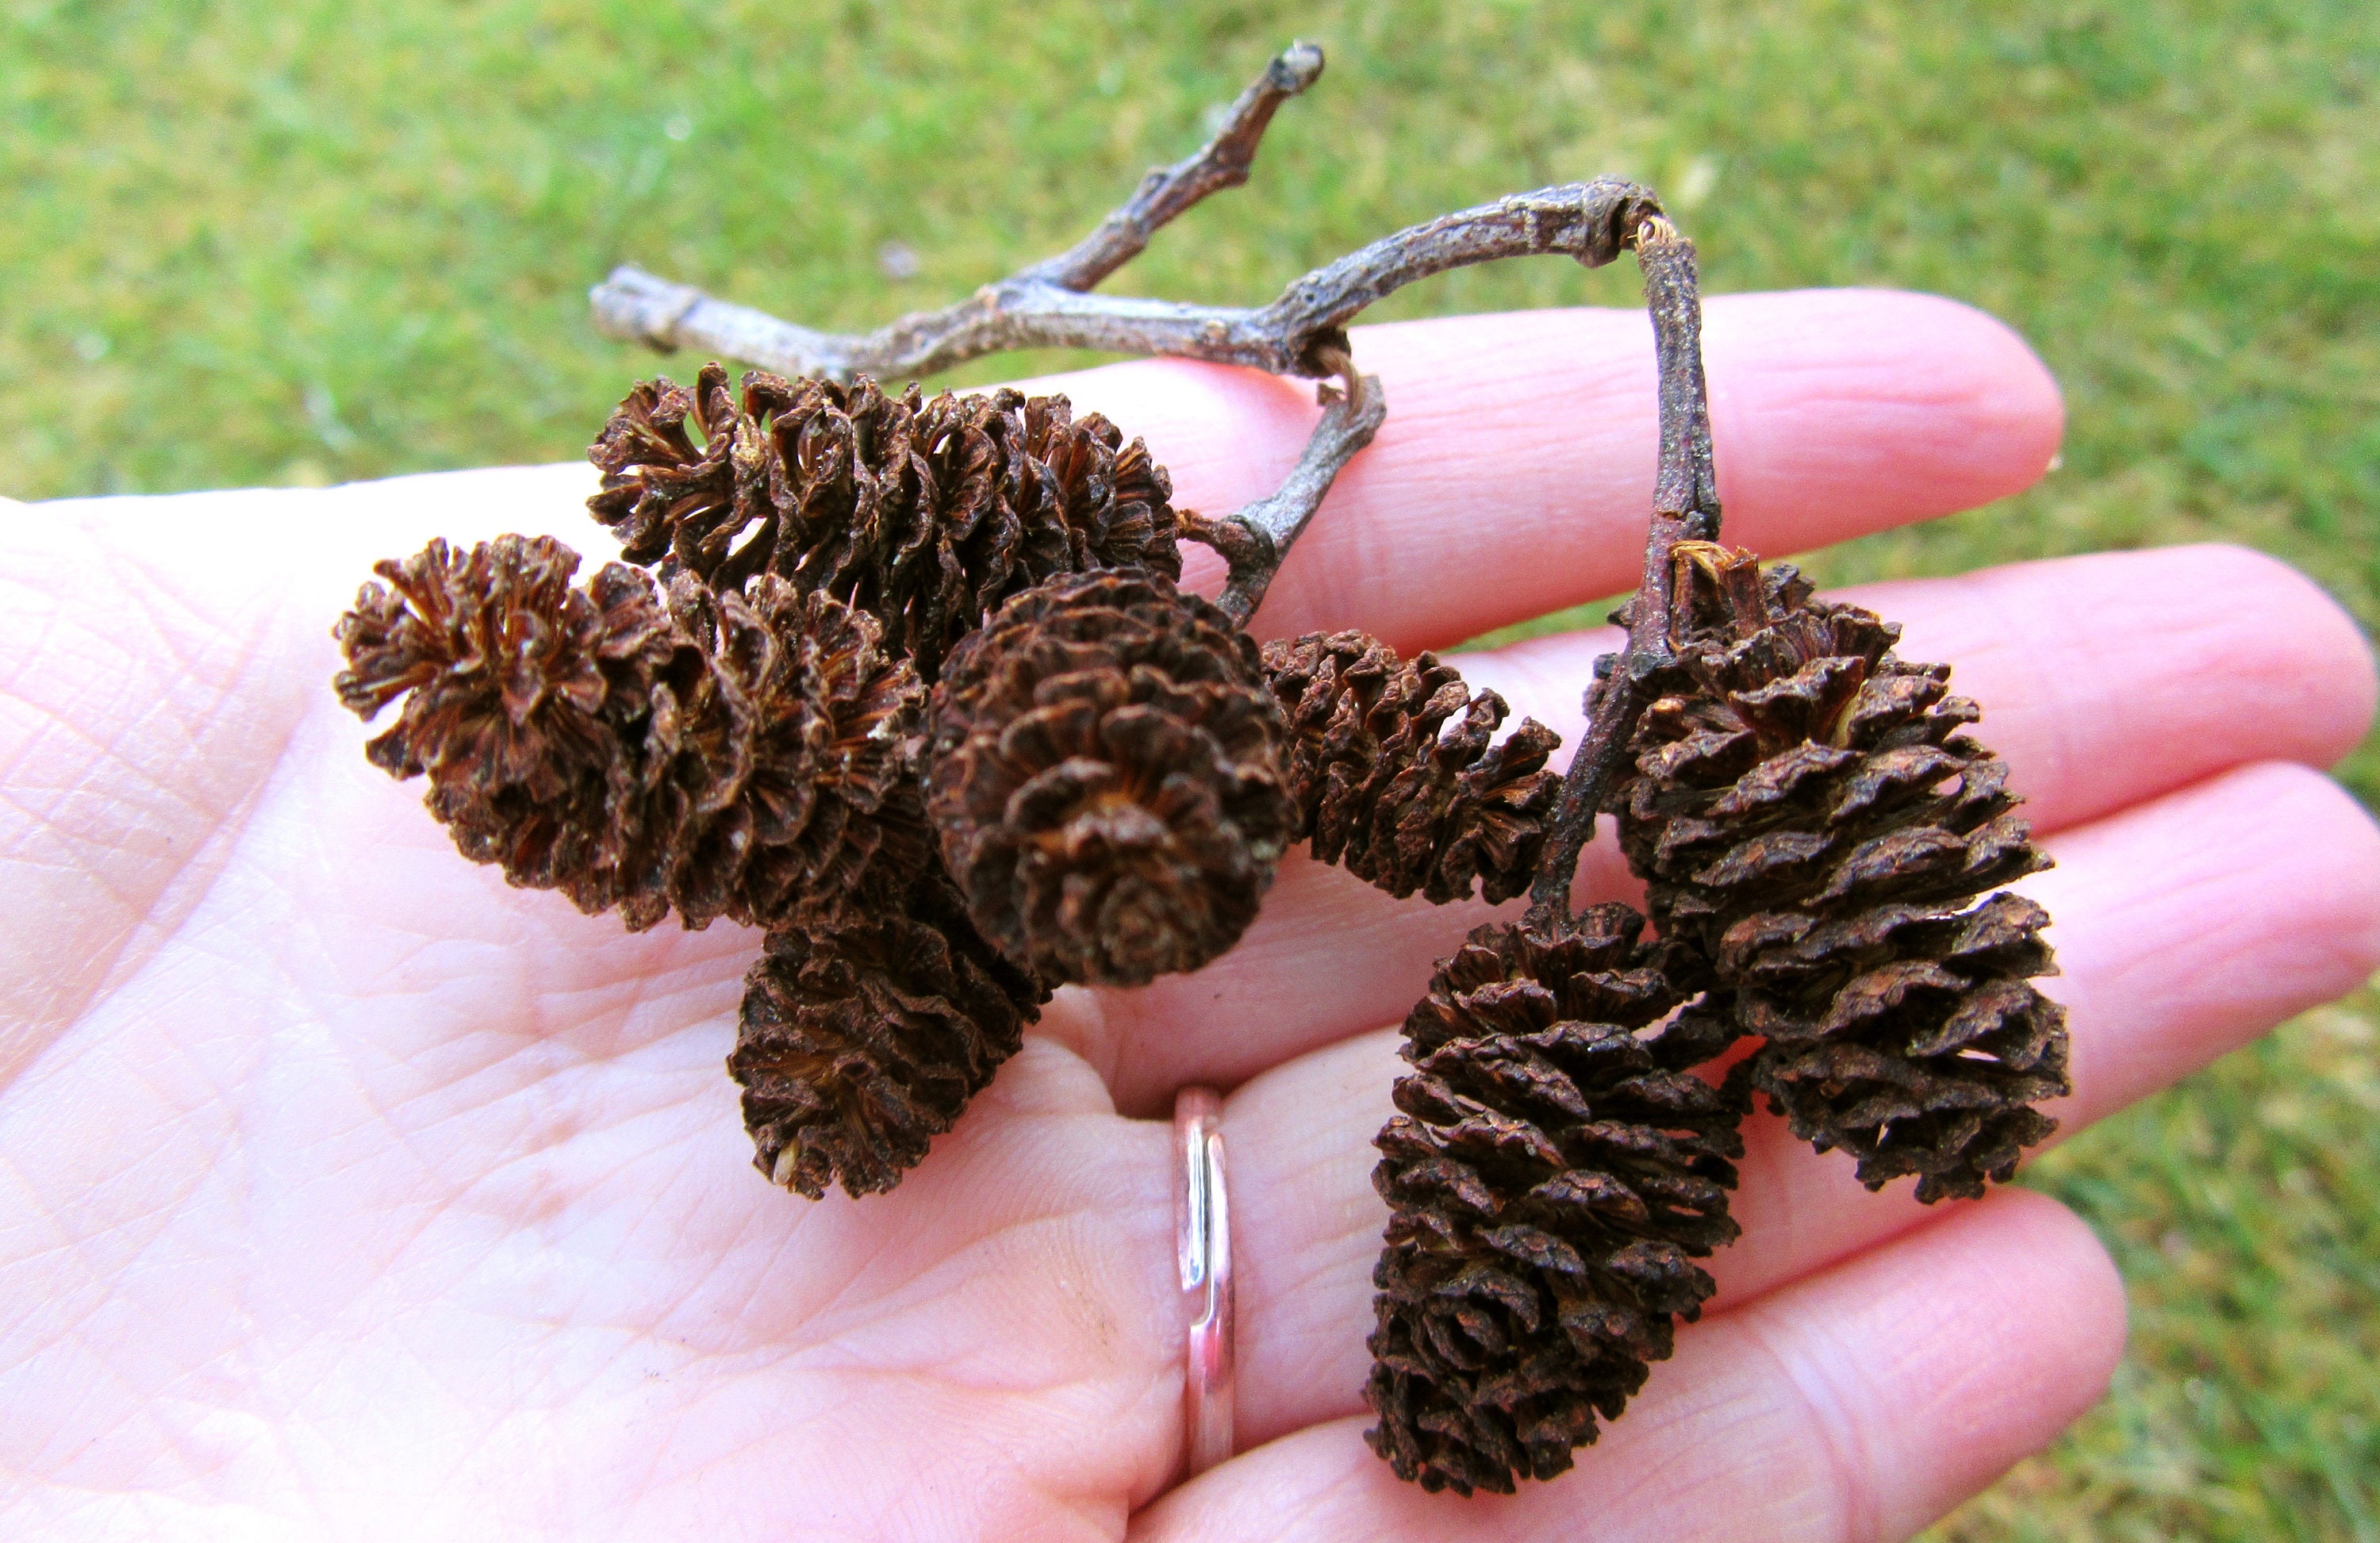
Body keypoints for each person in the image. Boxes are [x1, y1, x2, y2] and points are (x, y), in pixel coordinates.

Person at [1, 292, 2373, 1540]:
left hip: (1095, 673)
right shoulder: (1024, 689)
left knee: (1600, 947)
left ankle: (1903, 1057)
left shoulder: (1093, 669)